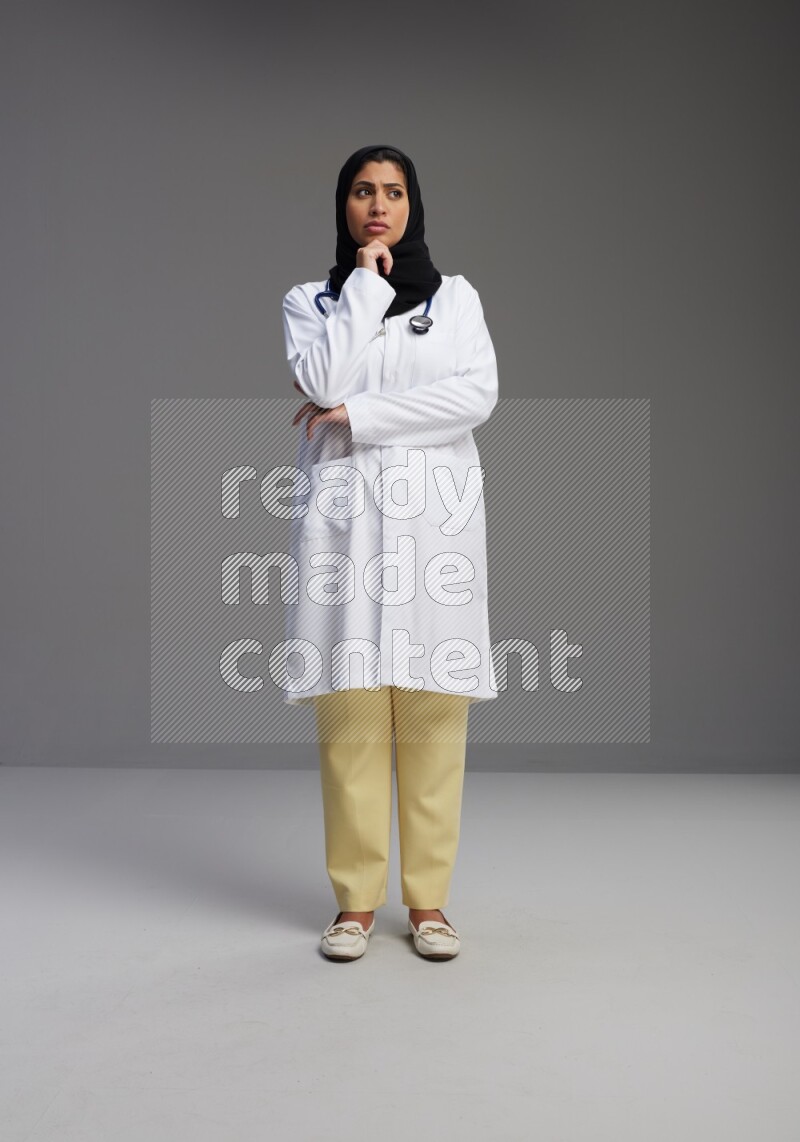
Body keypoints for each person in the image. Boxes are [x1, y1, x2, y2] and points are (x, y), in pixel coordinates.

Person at [281, 144, 499, 961]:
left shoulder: (458, 299)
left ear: (415, 205)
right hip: (346, 528)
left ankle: (430, 904)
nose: (379, 205)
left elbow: (476, 395)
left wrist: (358, 417)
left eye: (395, 192)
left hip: (434, 527)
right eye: (364, 192)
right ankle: (355, 906)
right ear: (343, 205)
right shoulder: (315, 301)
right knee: (353, 719)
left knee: (434, 718)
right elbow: (321, 375)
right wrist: (366, 287)